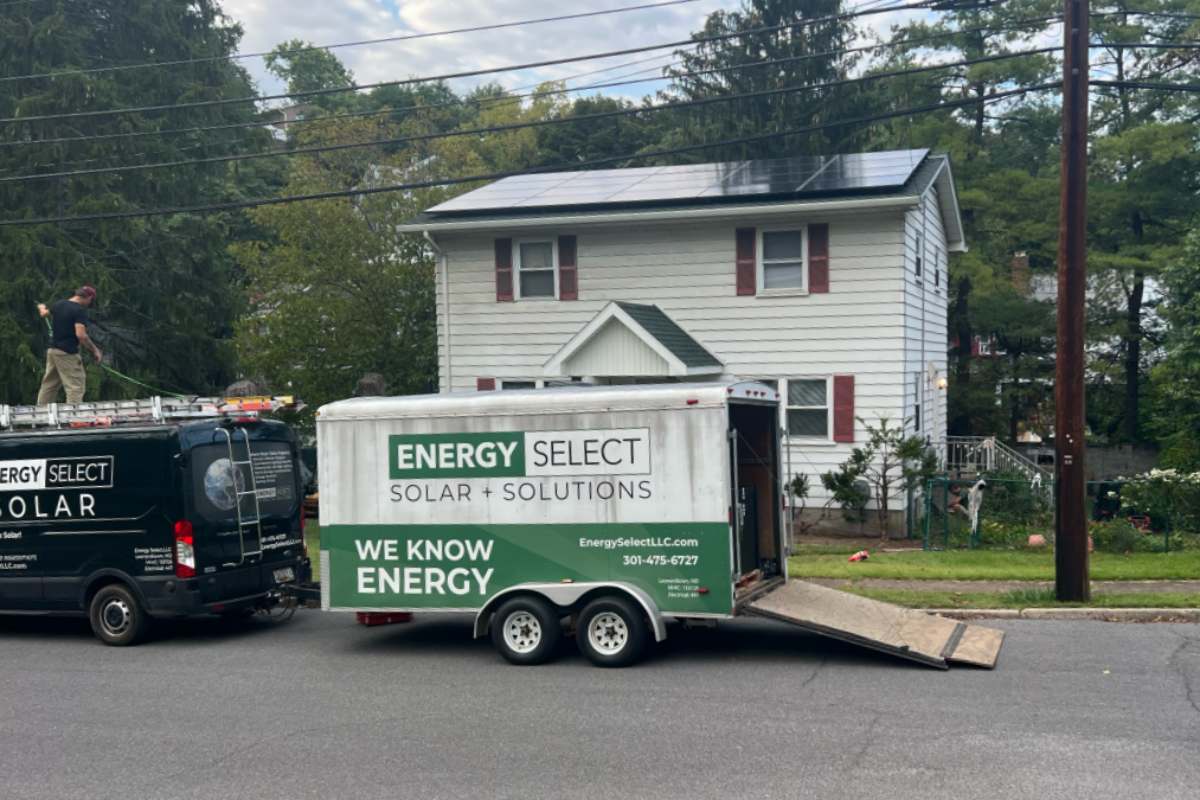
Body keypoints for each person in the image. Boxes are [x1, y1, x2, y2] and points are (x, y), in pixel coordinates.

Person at [36, 285, 103, 406]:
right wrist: (95, 350)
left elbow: (44, 314)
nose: (90, 303)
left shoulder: (59, 304)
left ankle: (42, 414)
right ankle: (74, 418)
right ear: (88, 297)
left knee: (49, 385)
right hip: (67, 353)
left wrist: (41, 307)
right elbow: (81, 335)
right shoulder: (79, 311)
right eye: (91, 300)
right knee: (75, 385)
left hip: (52, 351)